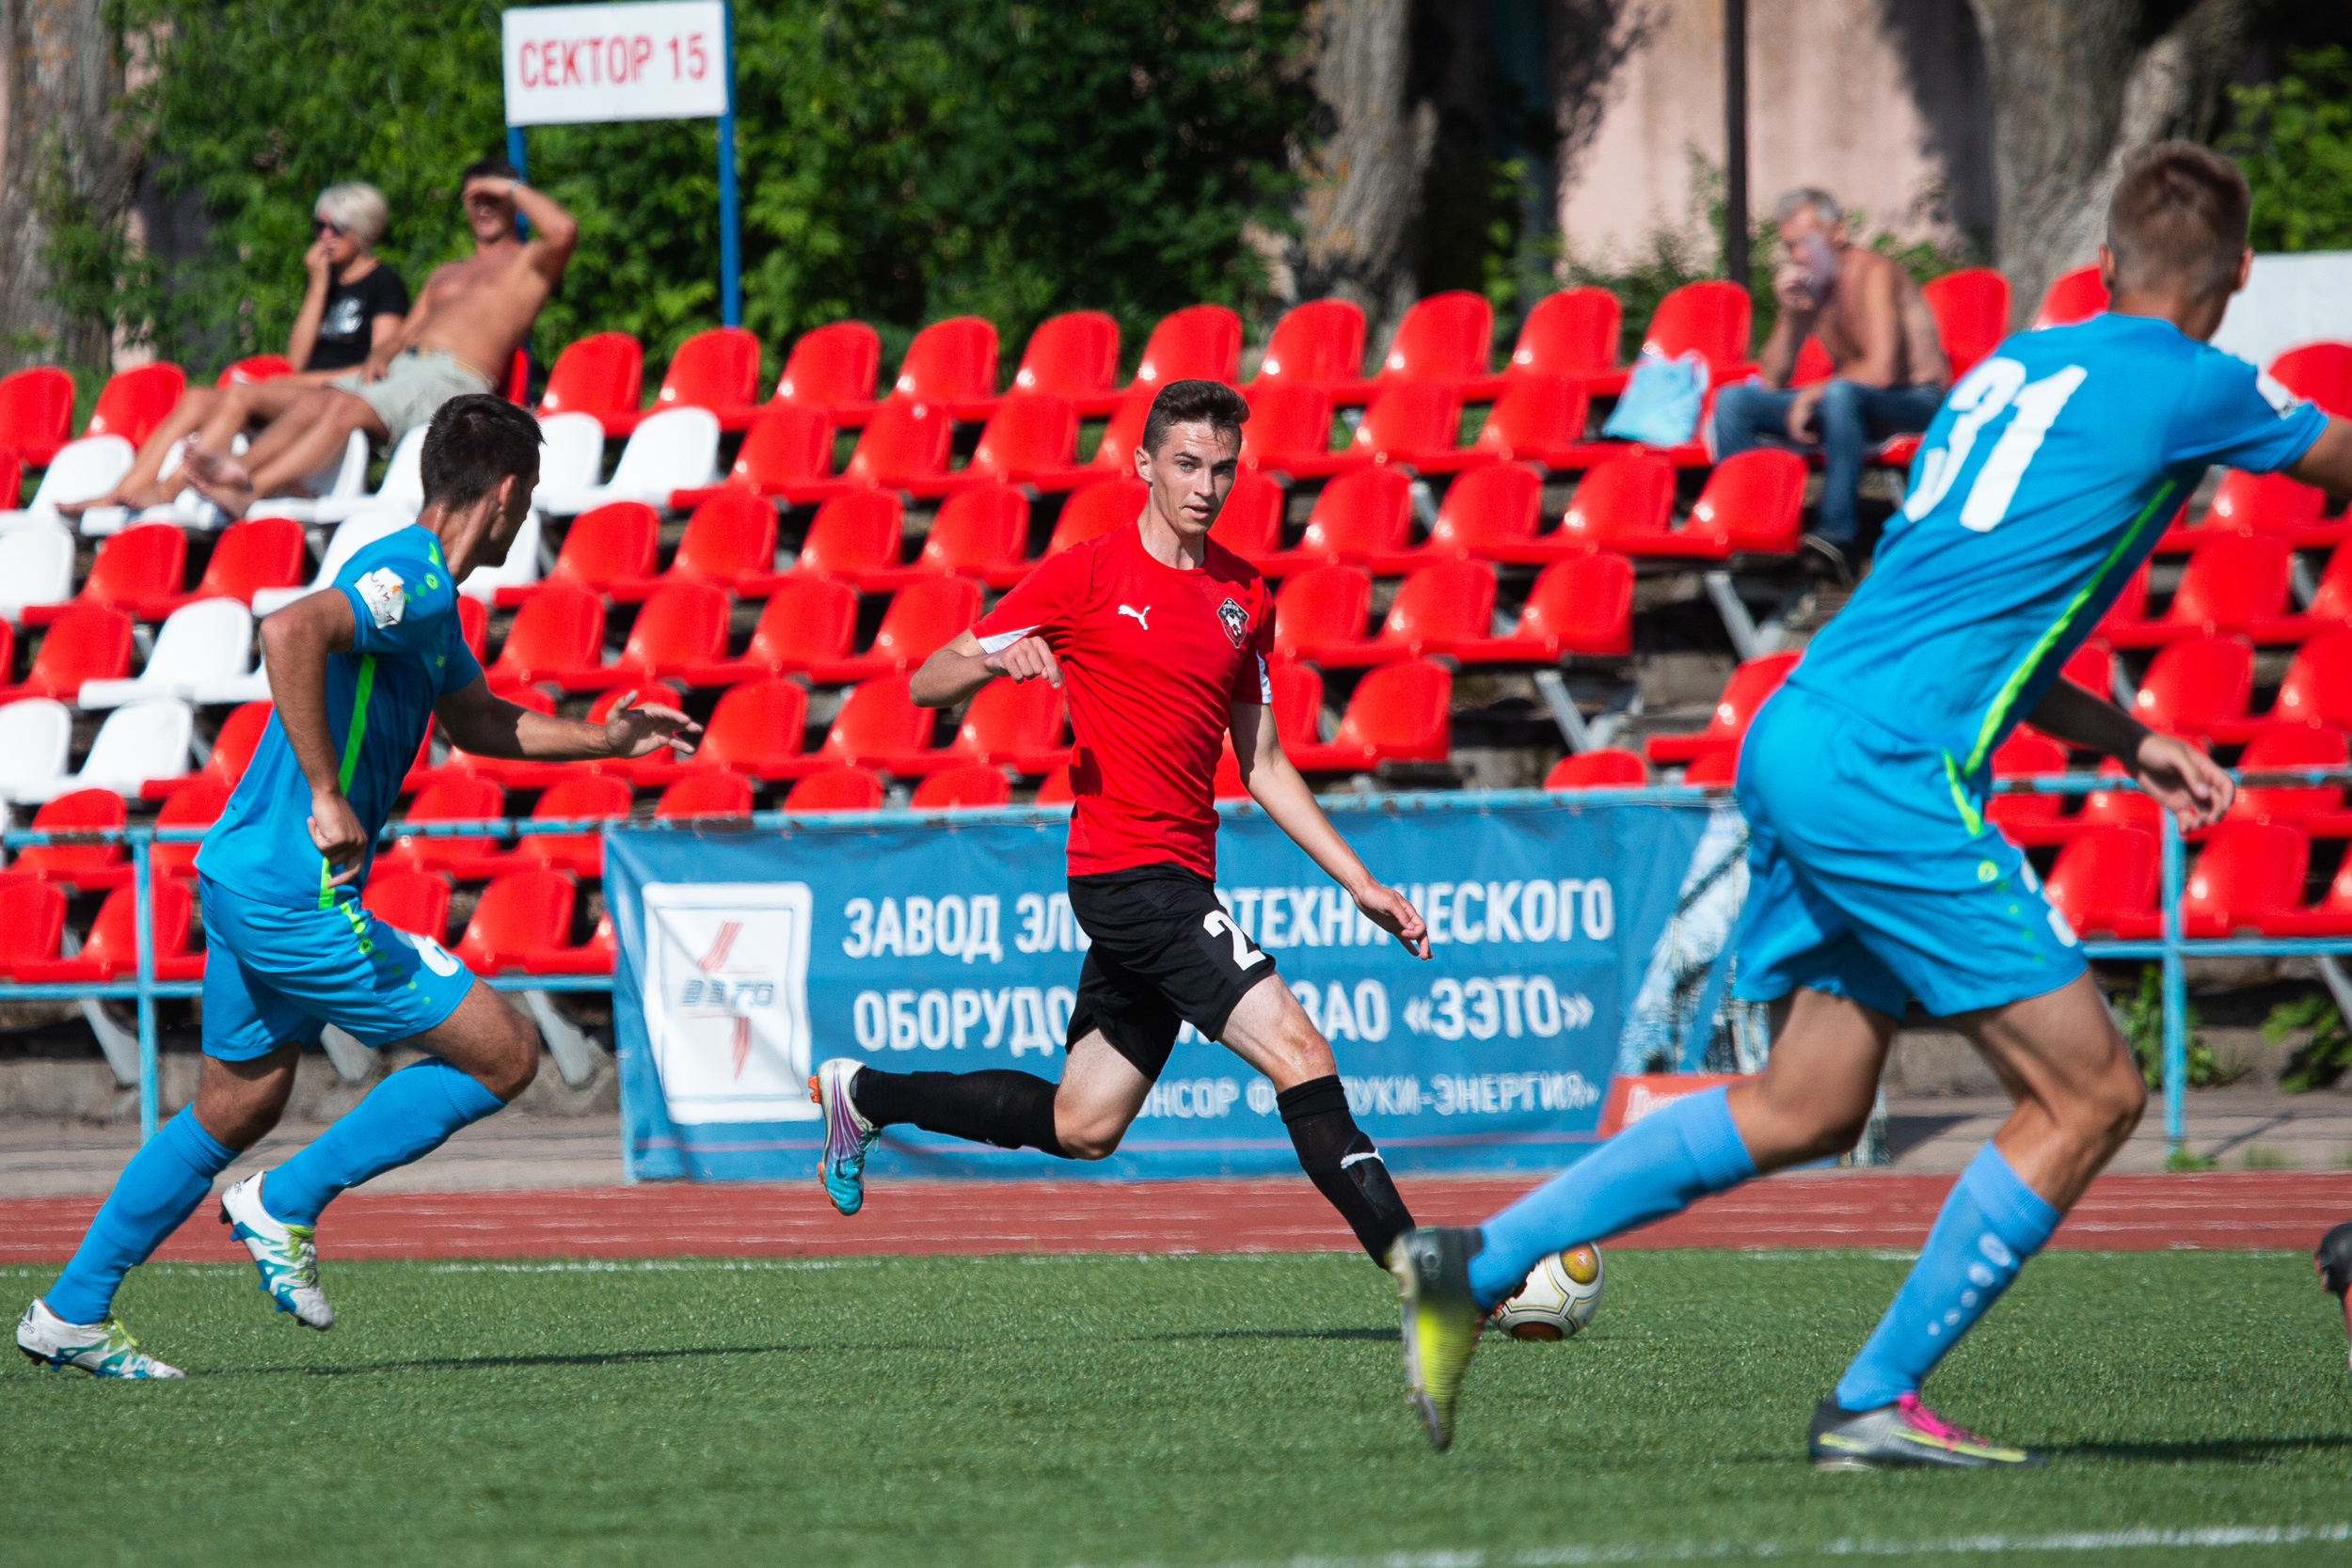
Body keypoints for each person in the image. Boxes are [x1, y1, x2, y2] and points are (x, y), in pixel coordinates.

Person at [1391, 142, 2352, 1463]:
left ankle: (1478, 1257)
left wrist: (2129, 733)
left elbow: (1952, 604)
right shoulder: (2192, 382)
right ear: (2238, 275)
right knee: (2092, 1096)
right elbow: (2340, 465)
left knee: (1809, 1100)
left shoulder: (2010, 364)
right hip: (1890, 769)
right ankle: (1869, 1397)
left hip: (1800, 726)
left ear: (2105, 264)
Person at [16, 396, 699, 1377]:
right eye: (530, 496)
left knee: (236, 1102)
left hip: (244, 875)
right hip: (297, 889)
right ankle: (283, 1200)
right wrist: (329, 794)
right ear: (505, 494)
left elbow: (480, 723)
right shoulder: (409, 578)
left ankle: (73, 1308)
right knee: (504, 1051)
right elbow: (290, 627)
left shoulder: (430, 601)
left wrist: (606, 737)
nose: (527, 515)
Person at [807, 379, 1432, 1265]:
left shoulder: (1244, 596)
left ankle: (864, 1095)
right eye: (1185, 464)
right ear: (1143, 464)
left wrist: (1361, 883)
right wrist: (996, 662)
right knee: (1301, 1047)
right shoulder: (1086, 573)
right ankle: (1425, 1271)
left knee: (1084, 1121)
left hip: (1175, 877)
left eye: (1221, 469)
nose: (1204, 487)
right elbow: (926, 680)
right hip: (1130, 876)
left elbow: (1261, 764)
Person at [179, 156, 578, 520]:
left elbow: (564, 231)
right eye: (475, 199)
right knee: (317, 399)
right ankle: (238, 471)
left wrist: (506, 185)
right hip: (405, 369)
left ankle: (251, 492)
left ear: (514, 201)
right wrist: (383, 352)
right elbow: (406, 332)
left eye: (494, 197)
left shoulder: (528, 264)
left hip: (454, 375)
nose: (485, 207)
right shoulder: (446, 272)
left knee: (343, 408)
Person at [71, 182, 411, 515]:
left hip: (333, 395)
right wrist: (318, 287)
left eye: (336, 228)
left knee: (238, 394)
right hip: (300, 392)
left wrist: (294, 384)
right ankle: (125, 488)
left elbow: (373, 367)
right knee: (198, 397)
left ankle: (168, 490)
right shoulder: (327, 281)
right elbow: (296, 359)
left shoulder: (385, 283)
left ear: (363, 231)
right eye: (319, 226)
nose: (324, 236)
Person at [1711, 188, 1950, 583]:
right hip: (1852, 403)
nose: (1797, 256)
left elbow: (1883, 370)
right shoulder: (1817, 287)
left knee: (1838, 393)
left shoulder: (1874, 273)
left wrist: (1813, 392)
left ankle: (1837, 536)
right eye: (1789, 246)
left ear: (1836, 233)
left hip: (1915, 400)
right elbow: (1771, 378)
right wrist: (1791, 316)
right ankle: (1753, 529)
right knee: (1733, 402)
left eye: (1807, 242)